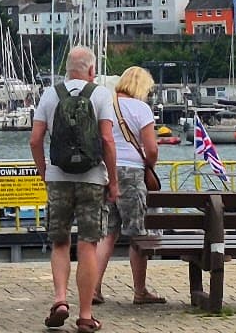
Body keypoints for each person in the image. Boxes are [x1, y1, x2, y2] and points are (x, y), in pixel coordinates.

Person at [30, 46, 118, 333]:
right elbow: (107, 140)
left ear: (68, 69)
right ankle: (85, 315)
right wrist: (113, 180)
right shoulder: (101, 94)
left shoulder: (50, 94)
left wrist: (45, 173)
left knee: (60, 241)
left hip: (58, 177)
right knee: (88, 244)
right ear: (91, 70)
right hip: (92, 178)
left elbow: (35, 140)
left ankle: (59, 301)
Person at [92, 66, 164, 306]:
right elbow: (152, 149)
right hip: (132, 174)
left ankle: (93, 288)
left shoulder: (105, 106)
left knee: (107, 233)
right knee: (137, 233)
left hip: (105, 172)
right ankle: (140, 290)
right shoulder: (141, 109)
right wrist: (148, 166)